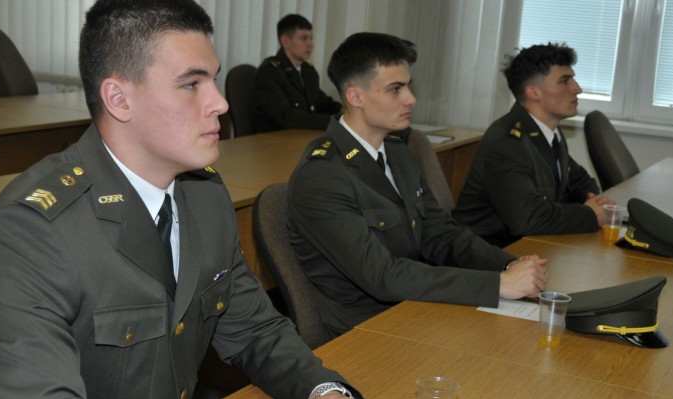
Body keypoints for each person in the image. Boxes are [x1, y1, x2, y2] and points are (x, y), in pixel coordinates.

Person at [0, 1, 369, 399]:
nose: (221, 103)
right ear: (119, 99)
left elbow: (255, 330)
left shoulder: (202, 196)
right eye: (191, 84)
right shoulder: (30, 232)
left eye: (214, 79)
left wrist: (323, 390)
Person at [287, 32, 548, 337]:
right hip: (366, 331)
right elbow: (383, 277)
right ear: (355, 97)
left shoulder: (397, 153)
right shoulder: (321, 176)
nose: (411, 98)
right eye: (395, 89)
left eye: (408, 86)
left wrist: (509, 266)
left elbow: (441, 234)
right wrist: (499, 284)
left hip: (413, 306)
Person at [453, 42, 614, 247]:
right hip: (490, 252)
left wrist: (592, 198)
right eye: (564, 81)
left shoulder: (549, 132)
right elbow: (527, 218)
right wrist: (590, 215)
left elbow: (578, 180)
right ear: (533, 92)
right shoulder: (507, 144)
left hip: (531, 245)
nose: (577, 89)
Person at [250, 13, 342, 133]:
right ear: (285, 42)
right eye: (303, 38)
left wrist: (343, 111)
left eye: (311, 38)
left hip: (301, 135)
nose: (310, 44)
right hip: (275, 139)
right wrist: (335, 121)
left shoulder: (308, 70)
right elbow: (286, 117)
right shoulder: (269, 72)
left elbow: (321, 102)